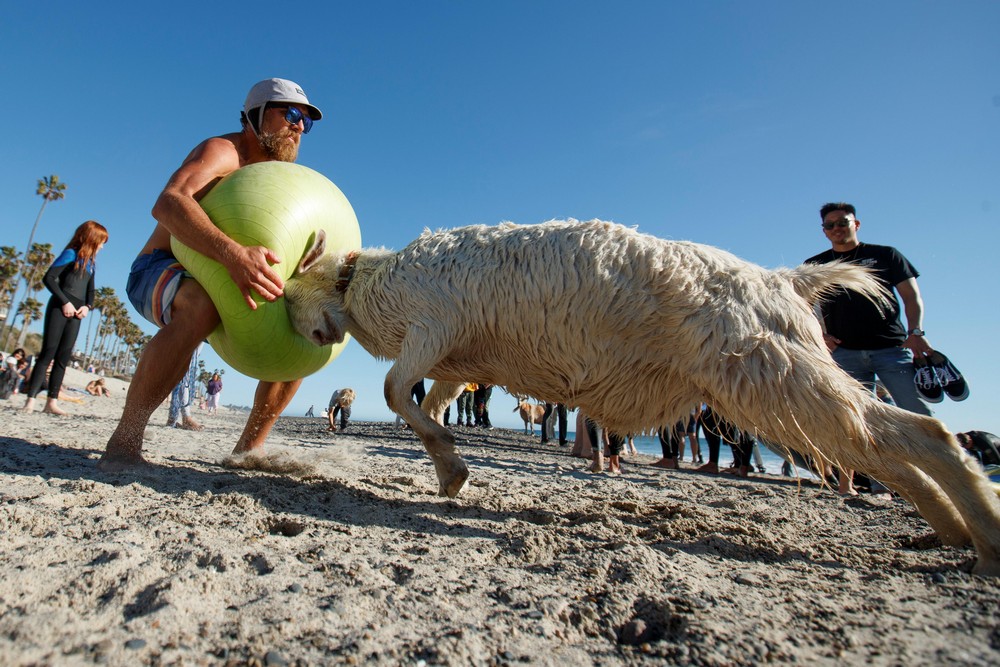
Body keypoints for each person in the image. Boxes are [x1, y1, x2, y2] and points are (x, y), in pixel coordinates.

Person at [99, 78, 323, 469]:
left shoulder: (282, 183)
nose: (299, 126)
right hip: (158, 268)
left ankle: (248, 449)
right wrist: (233, 254)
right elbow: (168, 203)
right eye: (290, 114)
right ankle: (125, 440)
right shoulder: (225, 152)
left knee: (308, 328)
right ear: (254, 115)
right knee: (201, 306)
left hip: (227, 277)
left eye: (306, 120)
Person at [805, 202, 934, 494]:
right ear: (824, 231)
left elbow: (911, 297)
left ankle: (934, 480)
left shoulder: (885, 255)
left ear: (856, 224)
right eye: (830, 225)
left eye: (843, 222)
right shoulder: (816, 265)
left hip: (891, 348)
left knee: (915, 412)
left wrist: (916, 332)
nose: (837, 229)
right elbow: (804, 307)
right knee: (849, 418)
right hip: (844, 353)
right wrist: (821, 337)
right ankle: (849, 484)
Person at [23, 221, 108, 415]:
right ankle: (30, 400)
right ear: (92, 238)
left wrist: (87, 307)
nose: (102, 246)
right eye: (101, 241)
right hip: (60, 308)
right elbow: (49, 278)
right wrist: (64, 302)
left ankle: (51, 402)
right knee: (48, 353)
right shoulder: (71, 254)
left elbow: (91, 290)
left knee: (63, 357)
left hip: (77, 313)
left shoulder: (92, 264)